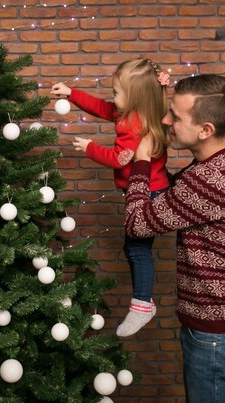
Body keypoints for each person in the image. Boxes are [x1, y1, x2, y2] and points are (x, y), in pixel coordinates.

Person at [124, 74, 225, 403]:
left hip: (220, 335)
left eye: (175, 116)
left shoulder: (211, 179)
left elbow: (138, 223)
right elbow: (180, 198)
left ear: (205, 129)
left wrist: (142, 162)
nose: (165, 120)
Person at [51, 58, 170, 336]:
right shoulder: (136, 112)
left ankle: (142, 304)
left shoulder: (134, 125)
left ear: (136, 97)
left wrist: (90, 147)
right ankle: (143, 300)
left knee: (138, 250)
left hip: (148, 193)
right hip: (150, 189)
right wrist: (73, 94)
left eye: (117, 92)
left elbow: (120, 158)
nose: (113, 99)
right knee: (135, 249)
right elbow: (103, 108)